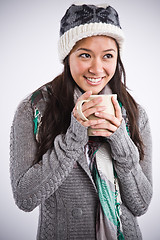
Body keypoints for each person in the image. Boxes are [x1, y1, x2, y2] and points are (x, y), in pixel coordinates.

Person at [10, 3, 152, 240]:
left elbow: (141, 204)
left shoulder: (134, 113)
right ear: (67, 56)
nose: (97, 68)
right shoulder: (34, 109)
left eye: (108, 56)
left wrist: (119, 139)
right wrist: (74, 136)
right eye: (85, 55)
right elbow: (25, 198)